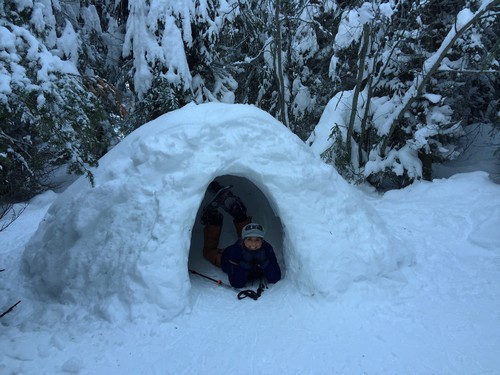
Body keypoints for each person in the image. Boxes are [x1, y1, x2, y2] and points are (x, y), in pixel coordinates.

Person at [201, 181, 281, 288]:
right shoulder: (235, 252)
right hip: (225, 257)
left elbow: (275, 277)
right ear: (243, 241)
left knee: (249, 231)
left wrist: (264, 261)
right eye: (249, 240)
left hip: (241, 249)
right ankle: (214, 219)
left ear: (262, 241)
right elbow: (237, 283)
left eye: (257, 240)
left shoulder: (267, 249)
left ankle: (237, 212)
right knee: (208, 252)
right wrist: (245, 262)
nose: (253, 244)